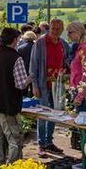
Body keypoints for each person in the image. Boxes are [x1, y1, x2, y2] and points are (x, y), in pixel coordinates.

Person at [0, 27, 29, 164]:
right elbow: (20, 84)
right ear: (14, 40)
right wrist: (29, 79)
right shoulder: (16, 58)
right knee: (14, 139)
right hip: (6, 104)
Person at [29, 18, 70, 157]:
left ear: (62, 30)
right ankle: (41, 144)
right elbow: (33, 65)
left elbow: (68, 59)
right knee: (43, 114)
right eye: (53, 28)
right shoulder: (40, 43)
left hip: (57, 85)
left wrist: (65, 68)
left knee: (55, 113)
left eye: (58, 29)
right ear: (49, 28)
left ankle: (49, 142)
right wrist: (34, 85)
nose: (55, 31)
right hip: (42, 84)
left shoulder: (63, 43)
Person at [67, 22, 86, 113]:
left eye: (70, 32)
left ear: (78, 32)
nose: (68, 35)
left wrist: (80, 96)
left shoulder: (85, 49)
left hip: (82, 91)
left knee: (83, 120)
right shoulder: (78, 47)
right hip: (77, 89)